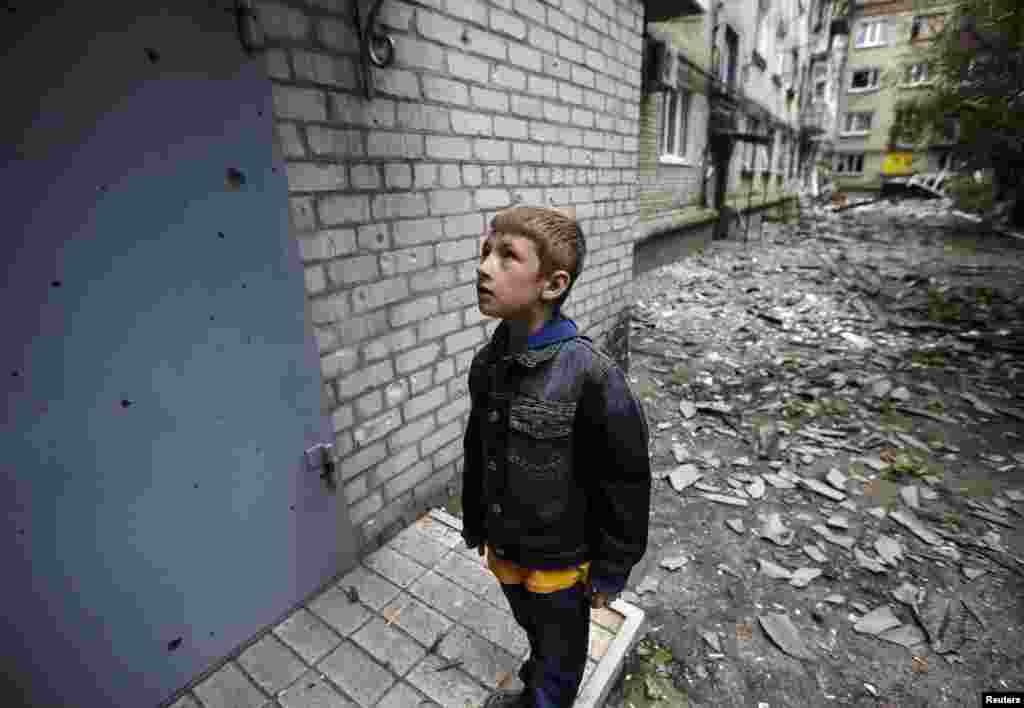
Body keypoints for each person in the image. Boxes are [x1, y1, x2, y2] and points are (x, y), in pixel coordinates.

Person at [461, 205, 652, 708]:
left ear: (552, 284)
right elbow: (478, 448)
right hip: (506, 547)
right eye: (486, 251)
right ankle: (541, 666)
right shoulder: (488, 364)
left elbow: (626, 480)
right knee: (537, 629)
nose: (484, 266)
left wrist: (612, 569)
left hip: (561, 563)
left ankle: (546, 692)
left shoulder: (592, 375)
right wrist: (476, 520)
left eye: (507, 257)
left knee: (563, 654)